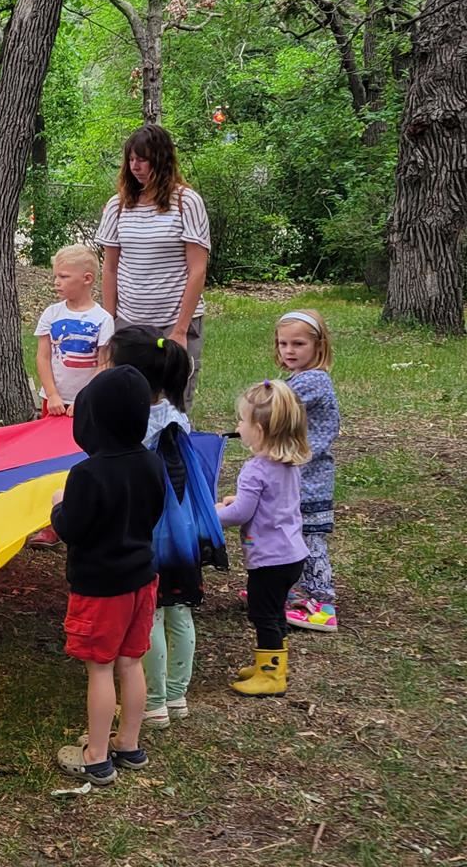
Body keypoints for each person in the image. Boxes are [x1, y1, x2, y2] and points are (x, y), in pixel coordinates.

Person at [50, 366, 167, 789]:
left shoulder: (87, 474)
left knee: (100, 669)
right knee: (130, 662)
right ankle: (128, 743)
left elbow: (71, 528)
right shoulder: (152, 462)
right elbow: (151, 513)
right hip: (142, 580)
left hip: (100, 588)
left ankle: (96, 756)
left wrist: (58, 505)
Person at [109, 327, 202, 728]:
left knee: (152, 616)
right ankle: (178, 695)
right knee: (179, 609)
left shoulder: (135, 421)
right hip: (182, 525)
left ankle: (155, 702)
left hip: (150, 528)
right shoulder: (177, 412)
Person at [95, 126, 210, 407]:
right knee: (130, 403)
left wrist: (181, 330)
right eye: (131, 159)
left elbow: (197, 269)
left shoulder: (186, 202)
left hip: (175, 320)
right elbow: (109, 268)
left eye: (143, 159)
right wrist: (109, 322)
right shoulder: (118, 206)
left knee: (174, 403)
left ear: (161, 160)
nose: (135, 166)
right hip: (130, 321)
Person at [220, 380, 310, 699]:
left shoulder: (255, 469)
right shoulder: (287, 463)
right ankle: (271, 663)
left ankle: (272, 676)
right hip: (292, 555)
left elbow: (240, 514)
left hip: (270, 559)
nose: (238, 427)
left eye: (241, 421)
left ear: (258, 428)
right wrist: (237, 500)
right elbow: (271, 502)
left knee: (263, 613)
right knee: (274, 612)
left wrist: (210, 515)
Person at [275, 310, 341, 634]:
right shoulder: (300, 377)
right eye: (283, 343)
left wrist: (252, 408)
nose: (289, 350)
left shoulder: (313, 379)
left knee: (310, 539)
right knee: (293, 533)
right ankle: (296, 593)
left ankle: (322, 602)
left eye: (298, 343)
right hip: (299, 473)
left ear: (318, 345)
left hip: (311, 477)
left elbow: (276, 403)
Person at [35, 244, 115, 415]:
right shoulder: (51, 313)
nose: (56, 282)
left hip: (88, 401)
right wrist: (52, 394)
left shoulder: (103, 319)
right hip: (53, 401)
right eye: (55, 276)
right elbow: (43, 356)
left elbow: (104, 364)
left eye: (64, 276)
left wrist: (85, 398)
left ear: (87, 279)